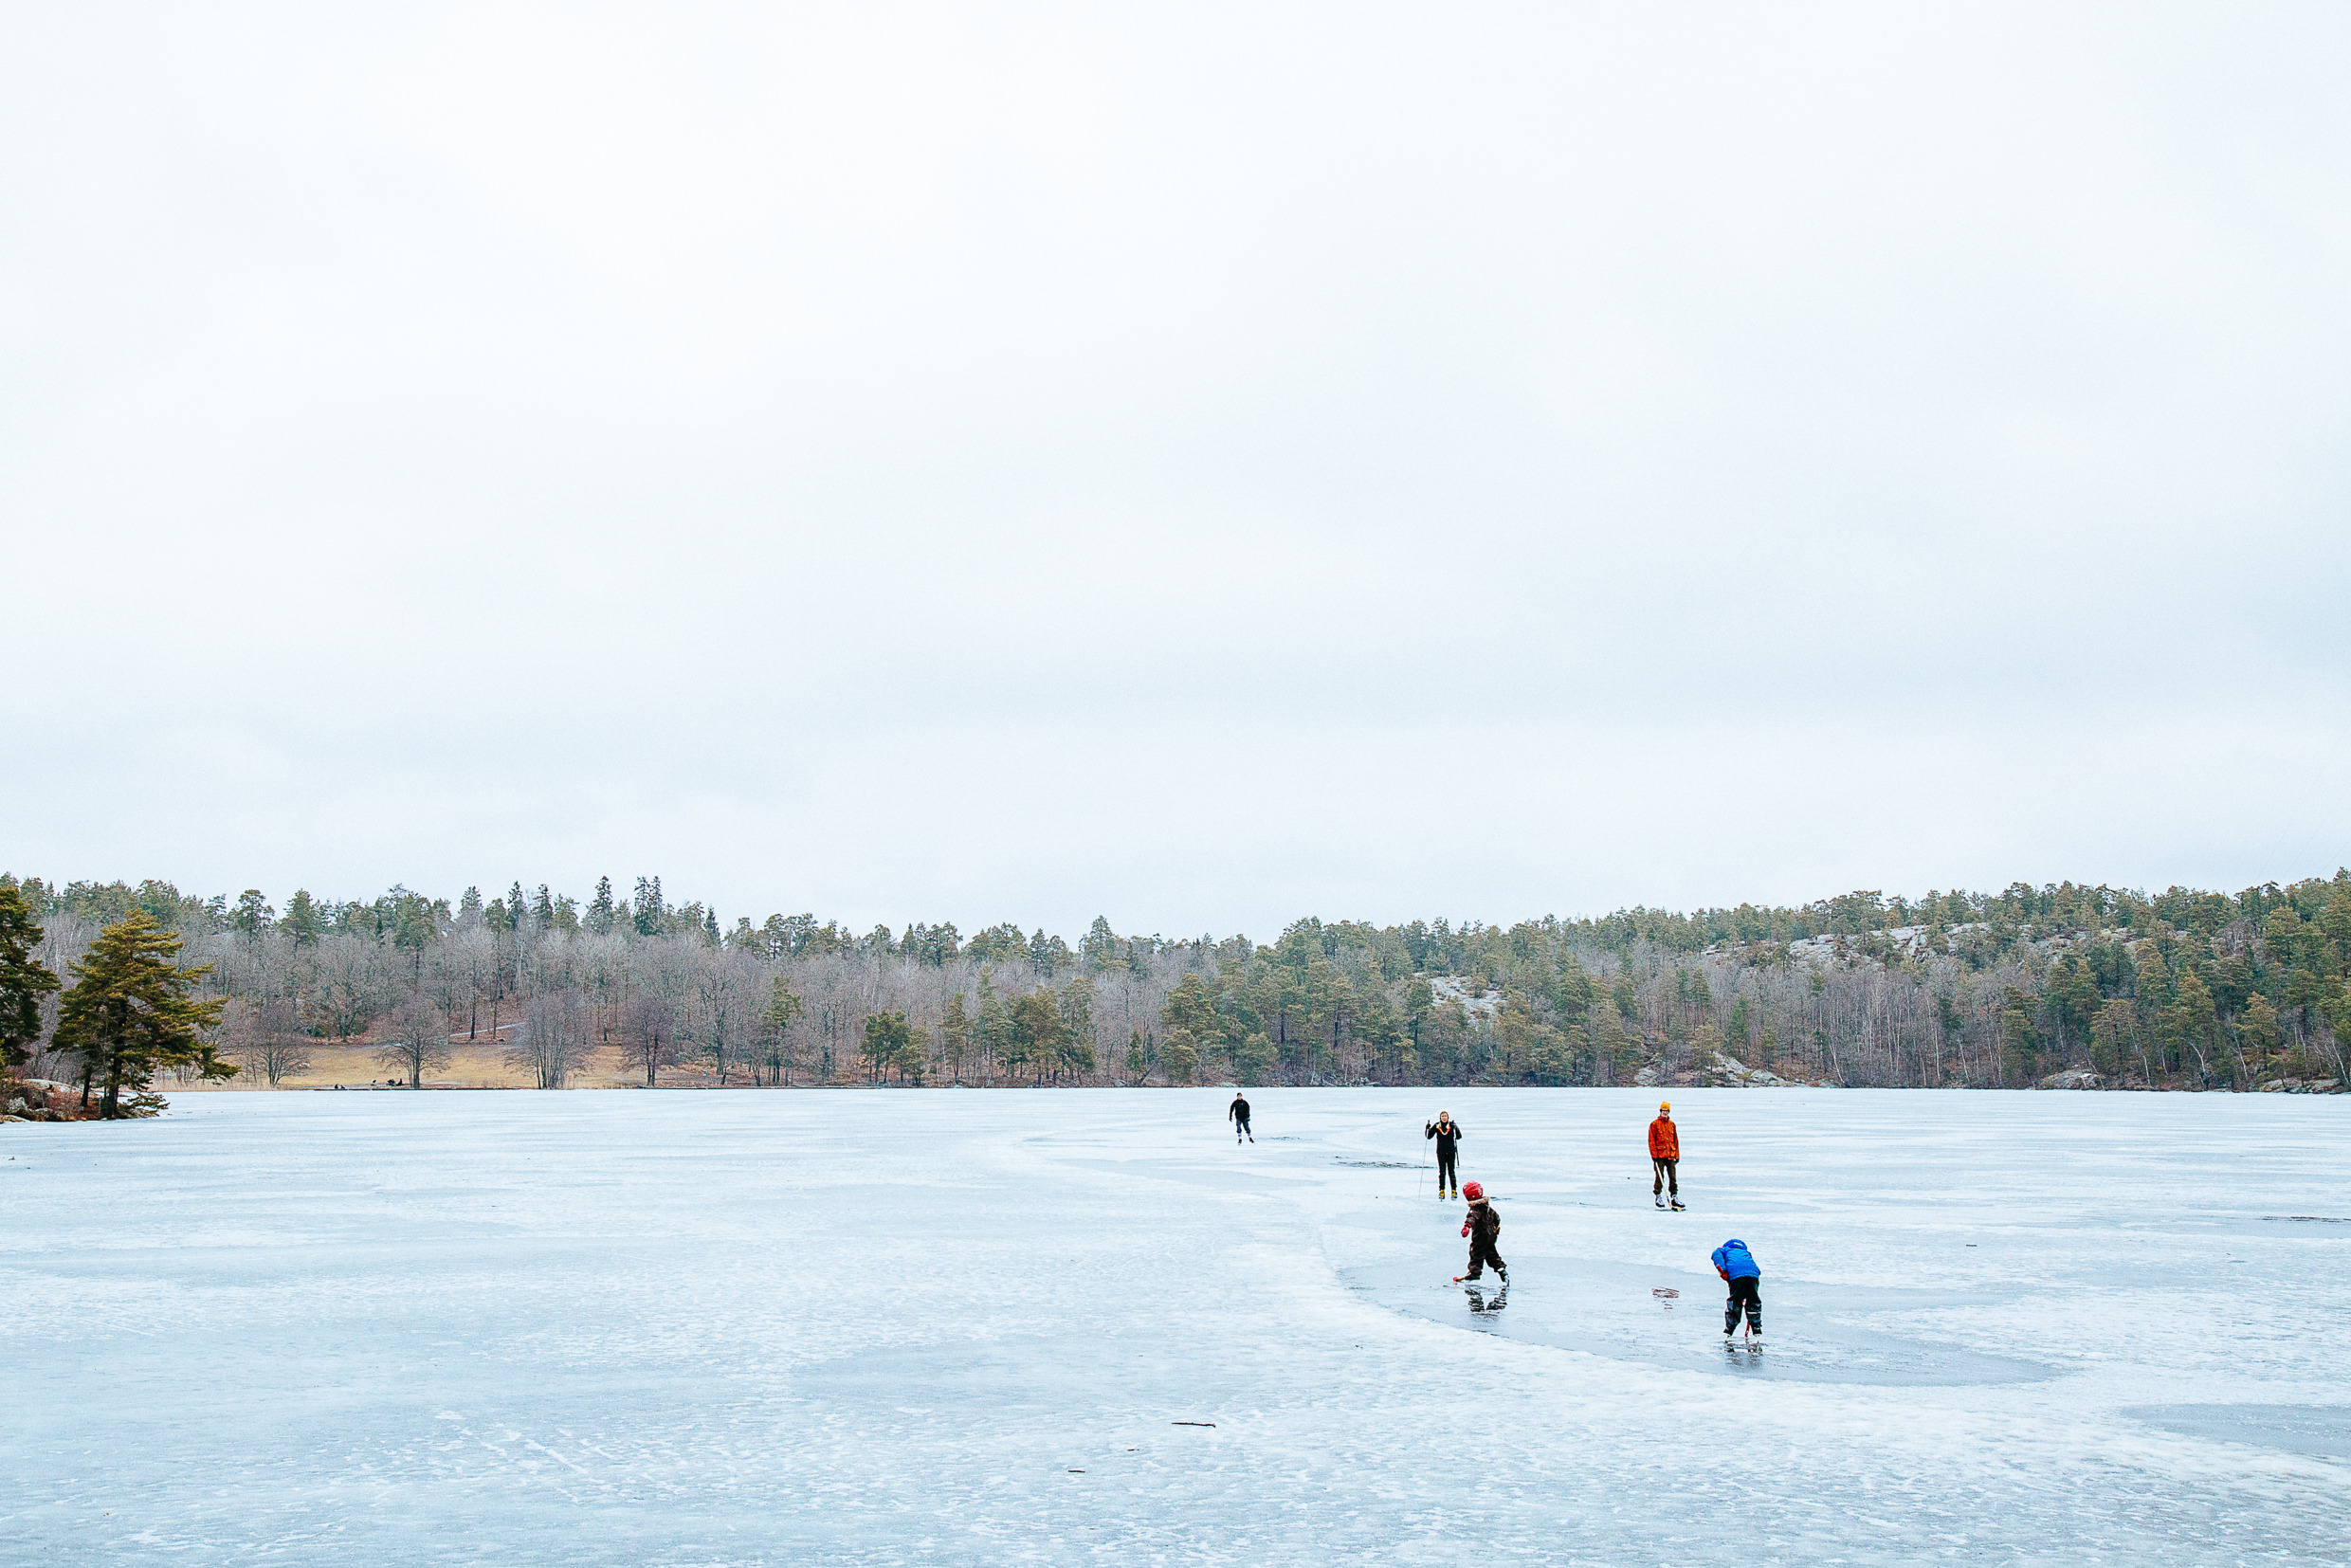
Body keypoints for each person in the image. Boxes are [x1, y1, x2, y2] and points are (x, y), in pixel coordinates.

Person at [1454, 1180, 1506, 1284]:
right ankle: (1502, 1271)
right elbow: (1496, 1217)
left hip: (1480, 1237)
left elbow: (1472, 1218)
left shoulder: (1475, 1210)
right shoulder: (1487, 1207)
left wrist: (1467, 1227)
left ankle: (1474, 1273)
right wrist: (1496, 1228)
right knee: (1491, 1254)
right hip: (1491, 1235)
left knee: (1476, 1254)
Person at [1712, 1237, 1761, 1340]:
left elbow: (1716, 1256)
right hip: (1753, 1275)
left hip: (1736, 1275)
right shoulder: (1746, 1253)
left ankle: (1729, 1329)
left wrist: (1723, 1271)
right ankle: (1756, 1327)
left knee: (1735, 1300)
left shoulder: (1724, 1250)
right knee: (1753, 1300)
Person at [1648, 1101, 1683, 1211]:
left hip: (1670, 1155)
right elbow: (1651, 1141)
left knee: (1673, 1176)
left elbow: (1675, 1141)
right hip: (1659, 1155)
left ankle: (1674, 1196)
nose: (1665, 1113)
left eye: (1666, 1111)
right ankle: (1658, 1196)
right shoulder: (1654, 1124)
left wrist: (1677, 1155)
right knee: (1660, 1176)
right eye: (1663, 1111)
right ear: (1660, 1111)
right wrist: (1654, 1155)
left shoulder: (1672, 1125)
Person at [1424, 1111, 1463, 1197]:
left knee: (1451, 1172)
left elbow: (1459, 1137)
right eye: (1442, 1116)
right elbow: (1429, 1136)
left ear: (1448, 1117)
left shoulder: (1452, 1126)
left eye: (1445, 1116)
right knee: (1442, 1172)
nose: (1444, 1117)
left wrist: (1456, 1128)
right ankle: (1441, 1190)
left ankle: (1454, 1190)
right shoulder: (1437, 1126)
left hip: (1451, 1152)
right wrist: (1427, 1128)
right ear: (1440, 1118)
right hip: (1441, 1152)